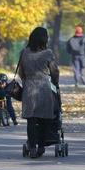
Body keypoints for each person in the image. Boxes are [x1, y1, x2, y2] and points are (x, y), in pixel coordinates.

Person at [18, 27, 60, 158]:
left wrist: (26, 80)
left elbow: (21, 72)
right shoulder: (48, 53)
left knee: (31, 120)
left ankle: (32, 147)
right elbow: (54, 71)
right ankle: (41, 146)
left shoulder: (24, 53)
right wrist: (55, 83)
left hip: (29, 88)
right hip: (44, 88)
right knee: (44, 120)